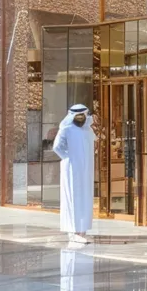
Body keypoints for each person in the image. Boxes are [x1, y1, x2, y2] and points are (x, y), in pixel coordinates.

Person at [53, 104, 96, 244]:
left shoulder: (88, 130)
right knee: (72, 198)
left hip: (86, 170)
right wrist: (68, 158)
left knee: (85, 198)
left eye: (82, 116)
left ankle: (82, 231)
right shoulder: (66, 129)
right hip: (71, 169)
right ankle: (72, 231)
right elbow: (57, 147)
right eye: (77, 116)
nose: (80, 119)